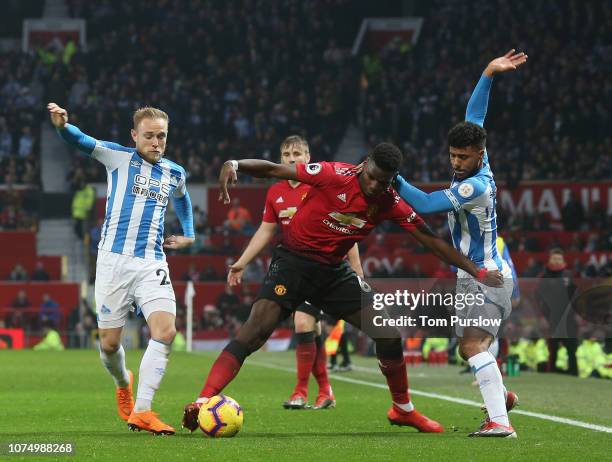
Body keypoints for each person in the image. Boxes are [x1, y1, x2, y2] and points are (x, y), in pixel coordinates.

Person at [181, 142, 503, 434]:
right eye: (373, 177)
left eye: (385, 181)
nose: (376, 186)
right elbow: (274, 169)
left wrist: (475, 270)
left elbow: (430, 240)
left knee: (388, 333)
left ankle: (403, 410)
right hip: (293, 264)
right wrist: (235, 163)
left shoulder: (389, 201)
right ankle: (202, 401)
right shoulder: (335, 174)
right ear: (364, 166)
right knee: (254, 332)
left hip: (334, 272)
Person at [393, 50, 527, 438]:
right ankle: (502, 398)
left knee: (471, 347)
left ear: (480, 155)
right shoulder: (477, 161)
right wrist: (488, 72)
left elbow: (427, 204)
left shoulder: (476, 185)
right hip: (478, 278)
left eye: (463, 156)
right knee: (470, 346)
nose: (456, 162)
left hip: (485, 278)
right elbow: (475, 117)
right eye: (452, 155)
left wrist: (394, 178)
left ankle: (500, 422)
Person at [48, 102, 195, 435]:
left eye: (162, 136)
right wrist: (62, 127)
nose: (156, 142)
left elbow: (183, 199)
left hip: (152, 262)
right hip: (113, 262)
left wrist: (189, 233)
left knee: (166, 331)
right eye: (149, 136)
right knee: (111, 345)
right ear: (134, 135)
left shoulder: (175, 173)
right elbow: (82, 141)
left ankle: (143, 410)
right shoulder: (118, 157)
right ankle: (122, 381)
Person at [226, 135, 363, 410]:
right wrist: (242, 262)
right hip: (294, 270)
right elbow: (266, 230)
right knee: (307, 326)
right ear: (280, 159)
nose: (291, 158)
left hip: (325, 268)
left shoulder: (323, 186)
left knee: (303, 323)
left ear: (307, 158)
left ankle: (302, 391)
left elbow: (347, 227)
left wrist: (358, 270)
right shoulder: (275, 191)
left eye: (297, 153)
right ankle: (324, 391)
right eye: (287, 154)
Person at [536, 248, 578, 376]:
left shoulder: (569, 275)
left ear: (563, 260)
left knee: (571, 350)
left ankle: (573, 374)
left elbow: (576, 295)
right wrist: (542, 316)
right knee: (552, 350)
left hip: (568, 319)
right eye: (554, 258)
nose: (557, 261)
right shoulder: (543, 276)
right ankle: (552, 375)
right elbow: (539, 298)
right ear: (550, 259)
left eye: (559, 259)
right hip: (552, 319)